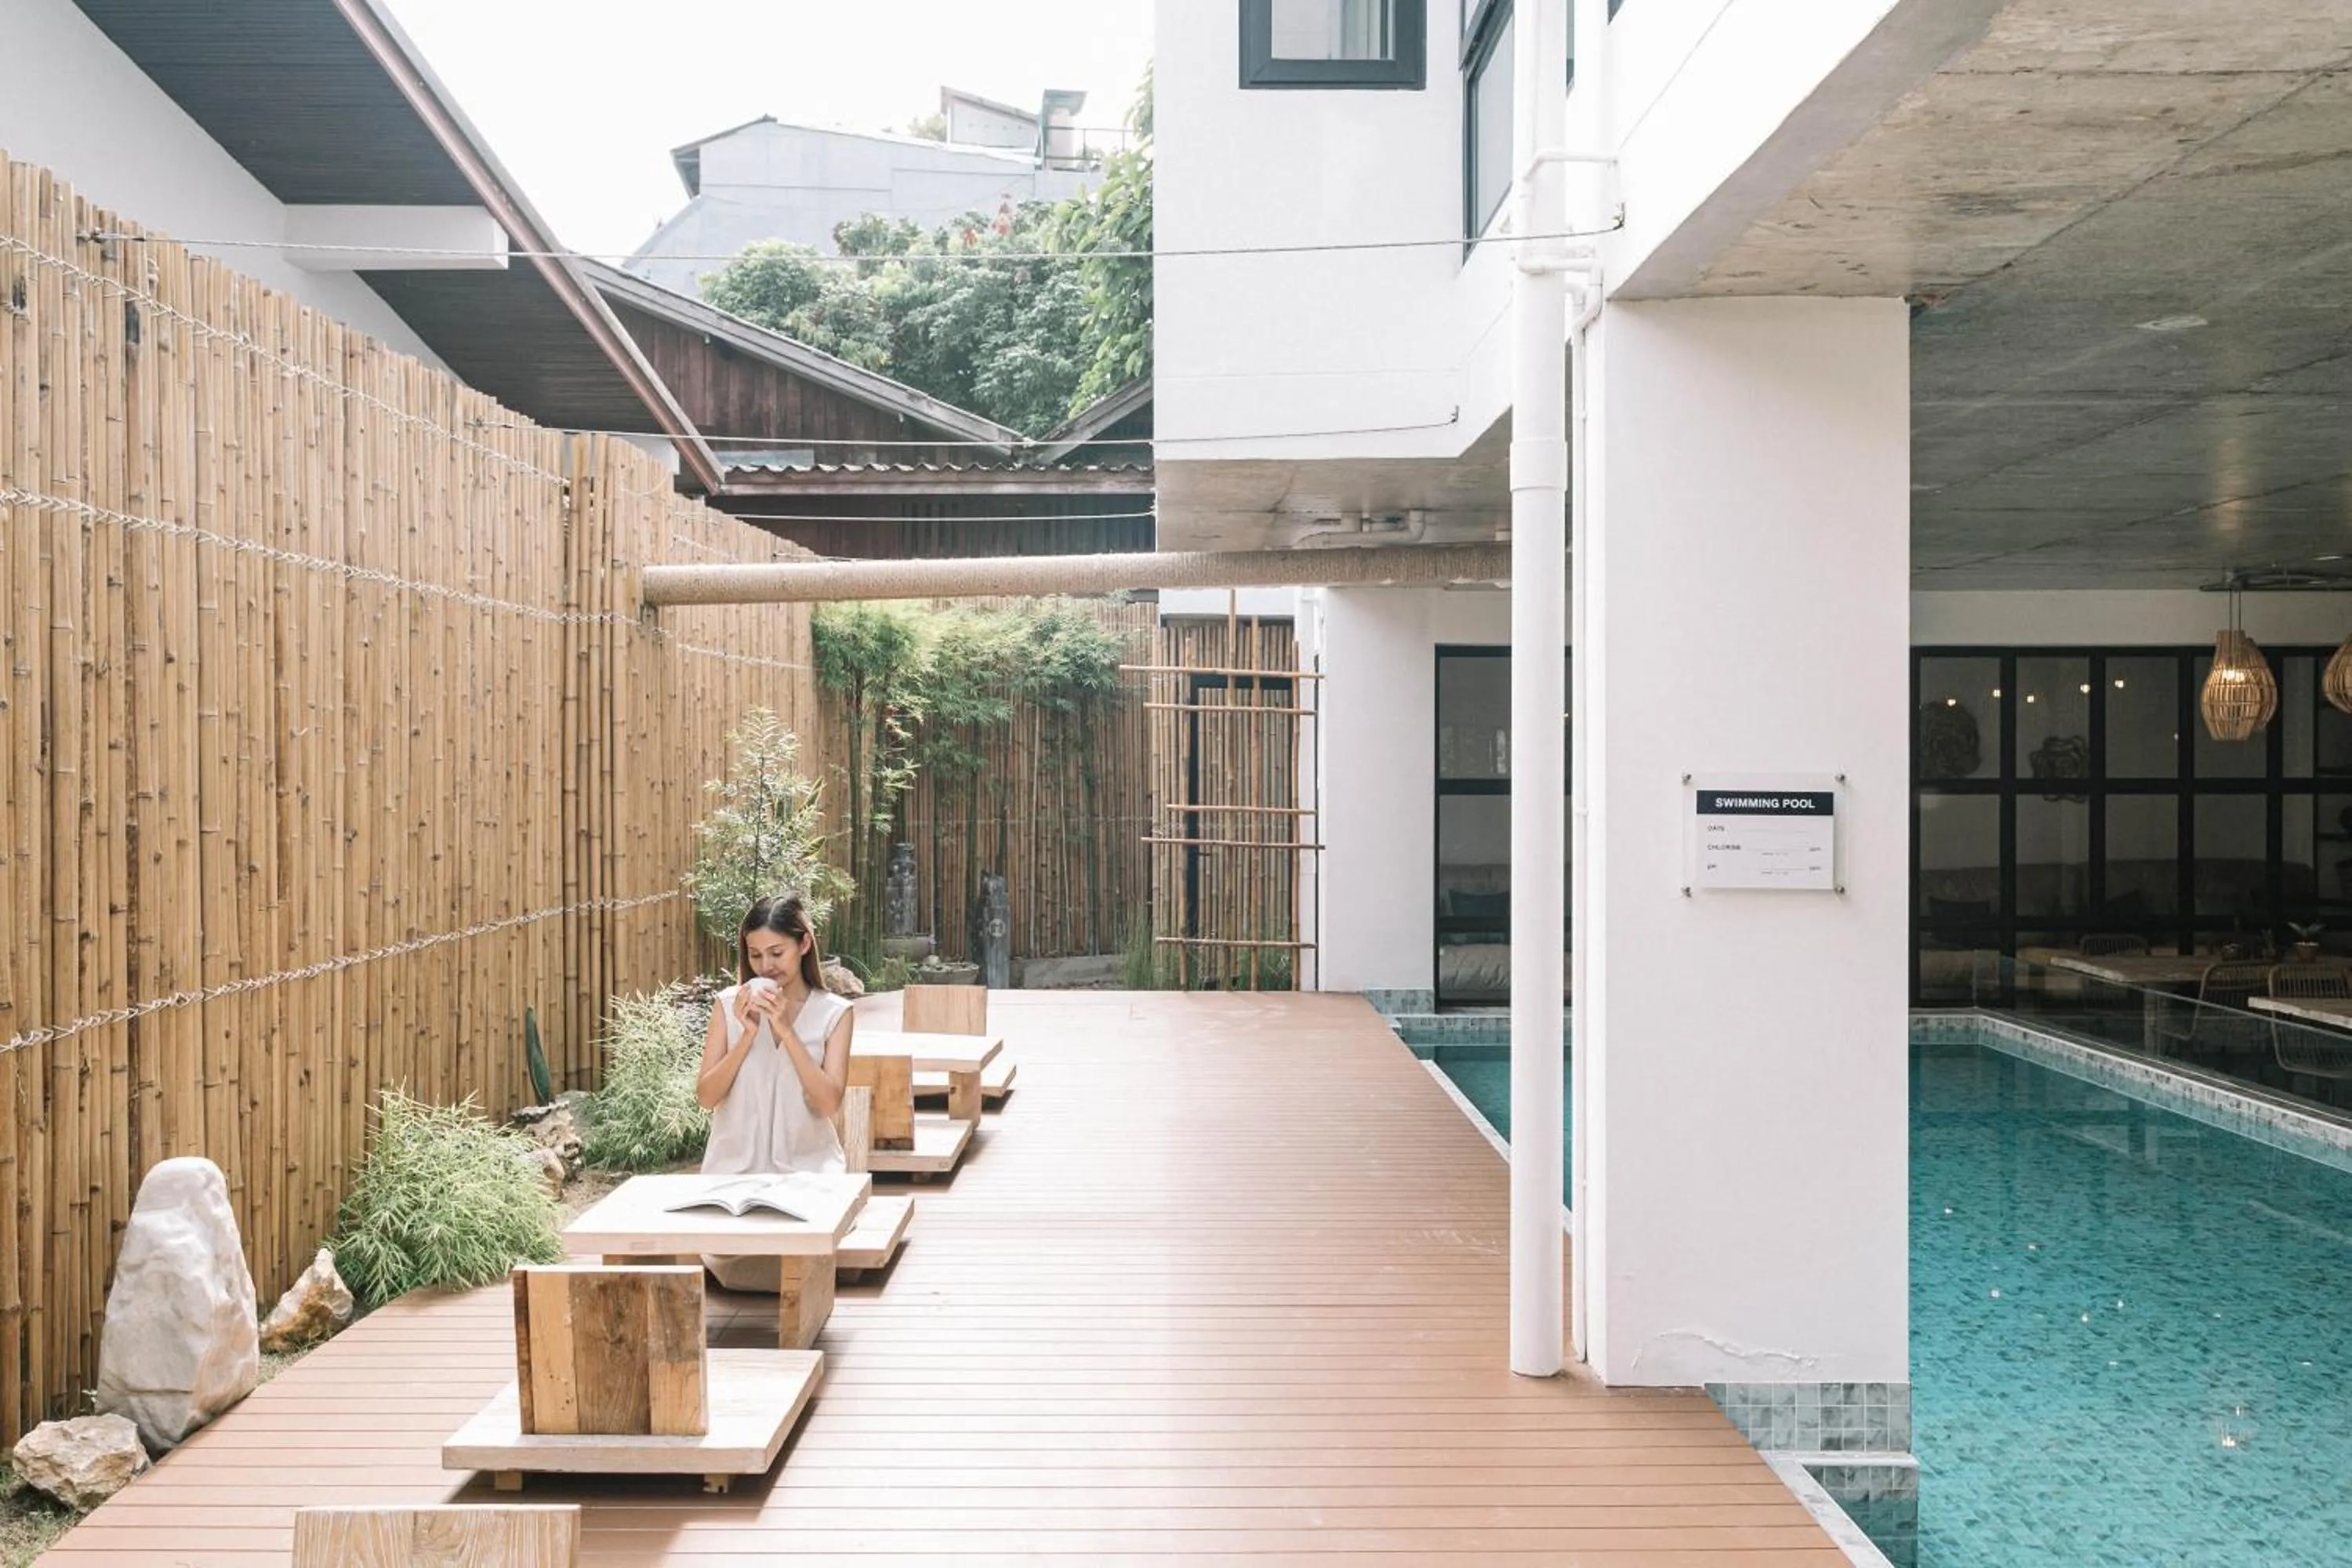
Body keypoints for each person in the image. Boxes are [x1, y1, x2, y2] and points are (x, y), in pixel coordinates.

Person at [695, 895, 855, 1291]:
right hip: (733, 1177)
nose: (766, 967)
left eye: (777, 952)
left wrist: (785, 1029)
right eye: (755, 955)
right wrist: (747, 1034)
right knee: (732, 1255)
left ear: (804, 945)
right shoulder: (729, 1005)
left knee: (797, 1249)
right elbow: (706, 1097)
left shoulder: (834, 1012)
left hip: (807, 1174)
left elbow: (829, 1101)